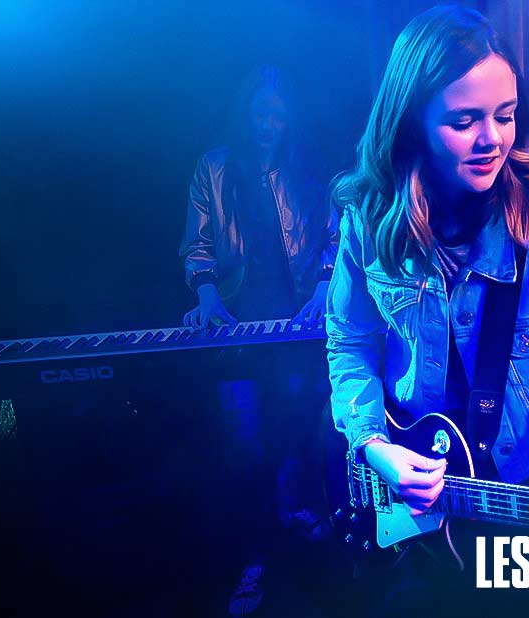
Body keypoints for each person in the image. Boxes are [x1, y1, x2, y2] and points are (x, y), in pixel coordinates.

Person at [326, 1, 529, 581]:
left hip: (518, 484)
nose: (492, 139)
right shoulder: (366, 219)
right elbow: (350, 342)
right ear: (413, 123)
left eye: (505, 115)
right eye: (464, 121)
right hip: (411, 491)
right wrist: (374, 444)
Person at [179, 65, 338, 616]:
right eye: (260, 113)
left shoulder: (305, 171)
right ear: (246, 113)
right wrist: (206, 297)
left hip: (296, 326)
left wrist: (323, 286)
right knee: (244, 445)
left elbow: (333, 236)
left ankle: (295, 517)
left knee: (300, 427)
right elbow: (197, 245)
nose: (268, 124)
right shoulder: (214, 168)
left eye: (278, 115)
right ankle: (254, 557)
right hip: (240, 326)